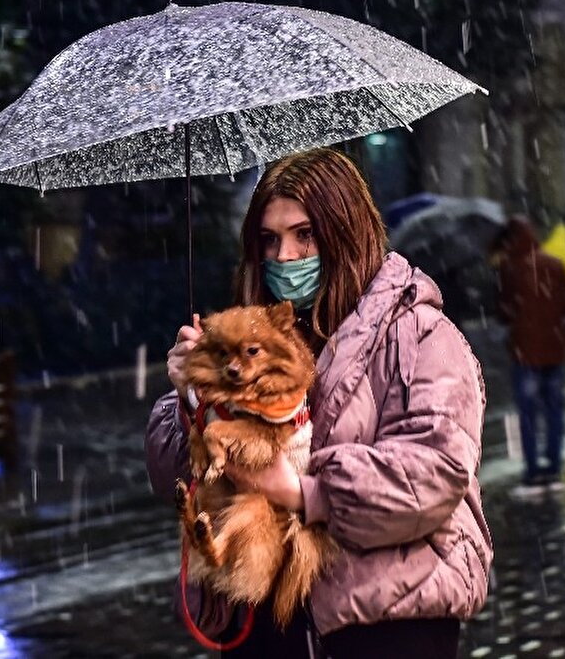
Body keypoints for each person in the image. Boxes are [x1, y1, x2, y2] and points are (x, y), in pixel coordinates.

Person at [147, 148, 492, 659]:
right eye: (270, 240)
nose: (284, 256)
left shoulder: (420, 337)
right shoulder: (245, 343)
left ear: (344, 234)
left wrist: (307, 491)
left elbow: (433, 473)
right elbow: (175, 476)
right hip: (265, 624)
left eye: (304, 235)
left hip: (381, 624)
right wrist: (192, 398)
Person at [491, 216, 565, 497]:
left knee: (527, 415)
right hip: (554, 350)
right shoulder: (555, 264)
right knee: (554, 412)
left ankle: (531, 473)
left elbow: (504, 312)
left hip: (525, 353)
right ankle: (553, 468)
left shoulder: (510, 269)